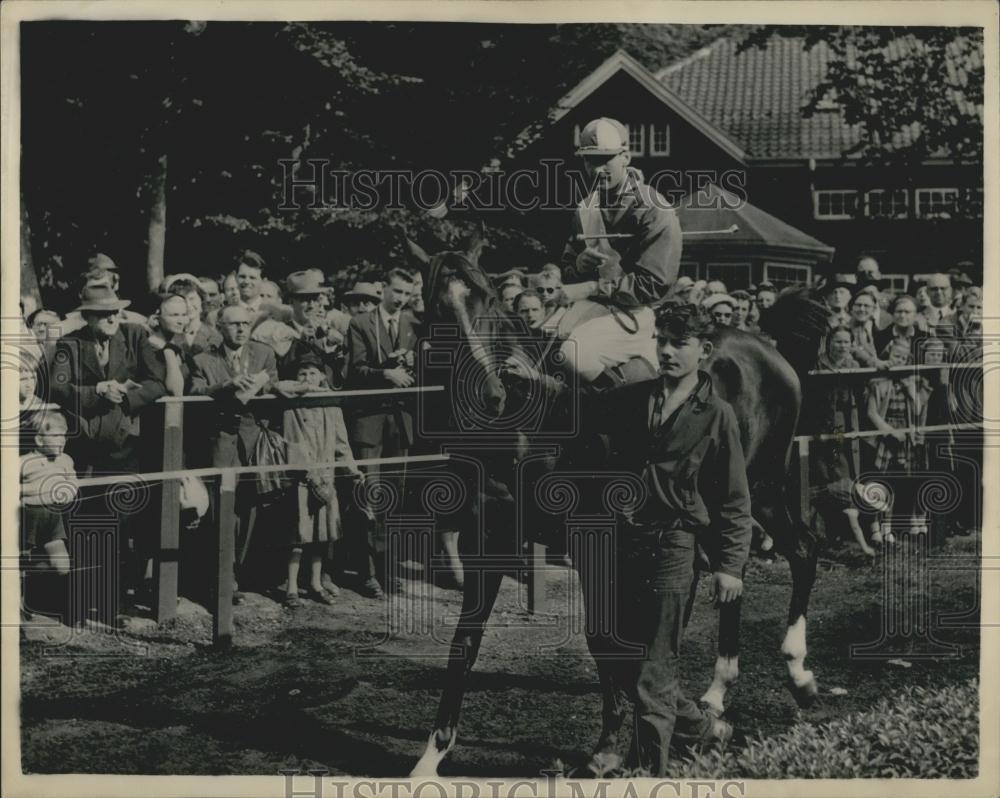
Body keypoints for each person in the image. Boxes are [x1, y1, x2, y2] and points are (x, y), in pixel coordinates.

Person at [577, 304, 748, 775]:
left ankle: (648, 774)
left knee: (655, 667)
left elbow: (734, 497)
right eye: (662, 341)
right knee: (625, 655)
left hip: (674, 544)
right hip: (621, 540)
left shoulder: (717, 415)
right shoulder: (633, 397)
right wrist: (528, 380)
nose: (668, 351)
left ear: (704, 350)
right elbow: (582, 407)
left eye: (680, 343)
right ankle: (704, 728)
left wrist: (730, 565)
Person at [50, 284, 166, 614]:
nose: (112, 317)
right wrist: (96, 390)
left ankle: (113, 601)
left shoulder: (134, 336)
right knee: (83, 523)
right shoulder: (69, 344)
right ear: (88, 316)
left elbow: (157, 381)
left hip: (124, 446)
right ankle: (83, 600)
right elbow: (58, 387)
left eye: (115, 311)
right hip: (84, 449)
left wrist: (129, 399)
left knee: (120, 523)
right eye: (103, 313)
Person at [558, 117, 681, 388]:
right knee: (543, 339)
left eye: (606, 159)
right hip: (599, 308)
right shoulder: (584, 208)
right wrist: (578, 266)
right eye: (590, 161)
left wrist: (591, 286)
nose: (598, 169)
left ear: (625, 156)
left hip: (644, 313)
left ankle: (611, 406)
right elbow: (568, 272)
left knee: (572, 355)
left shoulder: (654, 208)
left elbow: (654, 285)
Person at [190, 305, 299, 602]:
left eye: (245, 324)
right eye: (233, 324)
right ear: (220, 328)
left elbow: (272, 383)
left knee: (250, 508)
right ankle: (221, 578)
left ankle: (238, 570)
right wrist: (226, 385)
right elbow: (196, 392)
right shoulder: (203, 359)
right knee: (221, 508)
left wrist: (278, 387)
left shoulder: (264, 354)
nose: (240, 329)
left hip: (253, 440)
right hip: (220, 441)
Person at [345, 268, 420, 597]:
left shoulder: (413, 324)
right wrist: (385, 375)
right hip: (370, 421)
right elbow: (356, 370)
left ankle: (389, 567)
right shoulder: (361, 323)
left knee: (395, 498)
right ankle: (367, 573)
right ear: (383, 289)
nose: (401, 298)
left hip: (400, 422)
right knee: (369, 497)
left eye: (406, 293)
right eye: (396, 291)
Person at [280, 352, 365, 609]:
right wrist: (308, 473)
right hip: (303, 479)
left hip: (327, 478)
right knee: (299, 534)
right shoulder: (291, 407)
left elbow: (342, 443)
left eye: (313, 373)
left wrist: (353, 469)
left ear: (322, 377)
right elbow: (291, 441)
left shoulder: (332, 406)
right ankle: (292, 586)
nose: (308, 378)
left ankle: (316, 582)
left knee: (322, 534)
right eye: (302, 374)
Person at [866, 338, 932, 540]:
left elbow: (919, 409)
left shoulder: (914, 382)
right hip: (886, 436)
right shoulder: (878, 382)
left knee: (898, 481)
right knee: (880, 481)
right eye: (896, 356)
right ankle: (875, 526)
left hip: (906, 437)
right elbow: (872, 413)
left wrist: (909, 388)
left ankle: (889, 525)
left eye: (903, 358)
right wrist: (889, 432)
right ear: (888, 356)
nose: (899, 361)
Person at [20, 410, 78, 620]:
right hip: (29, 518)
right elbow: (10, 487)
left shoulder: (66, 460)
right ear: (39, 439)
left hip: (53, 520)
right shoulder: (24, 462)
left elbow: (73, 483)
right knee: (22, 563)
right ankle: (19, 607)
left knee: (62, 564)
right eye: (56, 435)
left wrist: (67, 493)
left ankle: (63, 609)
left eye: (64, 435)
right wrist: (34, 490)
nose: (62, 440)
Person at [874, 294, 927, 362]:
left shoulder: (924, 338)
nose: (902, 315)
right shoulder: (879, 338)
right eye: (899, 311)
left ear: (916, 315)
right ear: (892, 314)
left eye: (907, 312)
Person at [845, 290, 882, 367]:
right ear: (851, 308)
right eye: (858, 305)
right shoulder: (843, 330)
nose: (862, 309)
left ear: (873, 310)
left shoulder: (877, 331)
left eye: (866, 306)